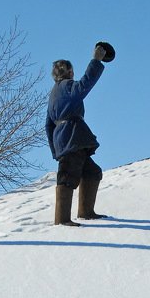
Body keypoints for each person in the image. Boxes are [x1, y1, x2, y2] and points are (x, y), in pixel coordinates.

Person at [45, 44, 107, 226]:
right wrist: (95, 60)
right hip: (72, 137)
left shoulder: (53, 93)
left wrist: (55, 149)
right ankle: (62, 220)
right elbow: (84, 86)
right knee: (67, 176)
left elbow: (48, 125)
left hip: (65, 140)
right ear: (69, 72)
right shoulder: (67, 86)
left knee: (92, 173)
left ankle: (86, 212)